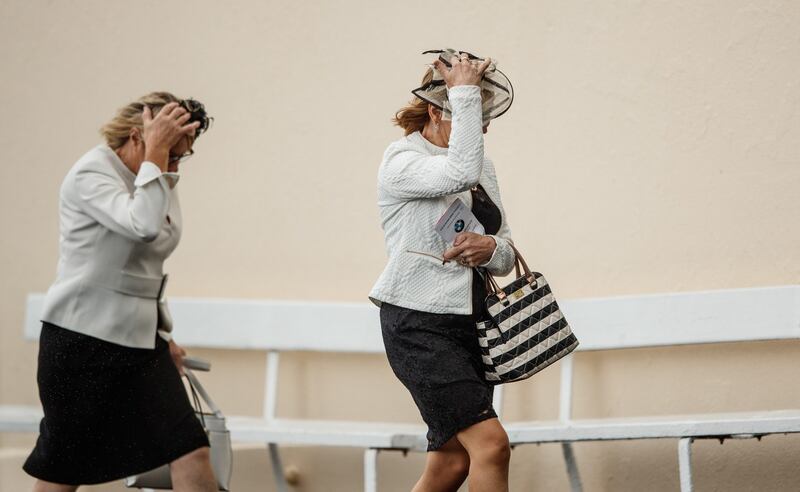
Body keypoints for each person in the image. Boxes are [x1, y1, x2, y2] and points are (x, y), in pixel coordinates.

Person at [23, 93, 217, 492]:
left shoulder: (155, 174)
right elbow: (142, 226)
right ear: (136, 135)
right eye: (171, 151)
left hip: (140, 344)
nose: (176, 165)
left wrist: (163, 335)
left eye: (182, 156)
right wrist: (157, 157)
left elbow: (144, 268)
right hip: (82, 343)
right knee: (63, 468)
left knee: (191, 447)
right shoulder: (91, 174)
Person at [369, 50, 517, 492]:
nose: (483, 126)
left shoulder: (482, 168)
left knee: (451, 462)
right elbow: (458, 169)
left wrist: (490, 247)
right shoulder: (400, 161)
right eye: (473, 112)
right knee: (491, 446)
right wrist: (464, 91)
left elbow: (508, 252)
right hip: (418, 325)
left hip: (470, 324)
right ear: (435, 110)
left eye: (485, 114)